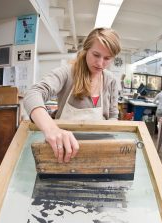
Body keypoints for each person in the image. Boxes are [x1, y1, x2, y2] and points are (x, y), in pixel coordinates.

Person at [23, 27, 121, 163]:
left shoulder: (111, 80)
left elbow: (113, 116)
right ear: (86, 50)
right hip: (63, 150)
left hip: (97, 150)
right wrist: (51, 129)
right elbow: (33, 94)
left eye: (107, 58)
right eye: (96, 55)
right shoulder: (67, 73)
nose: (100, 63)